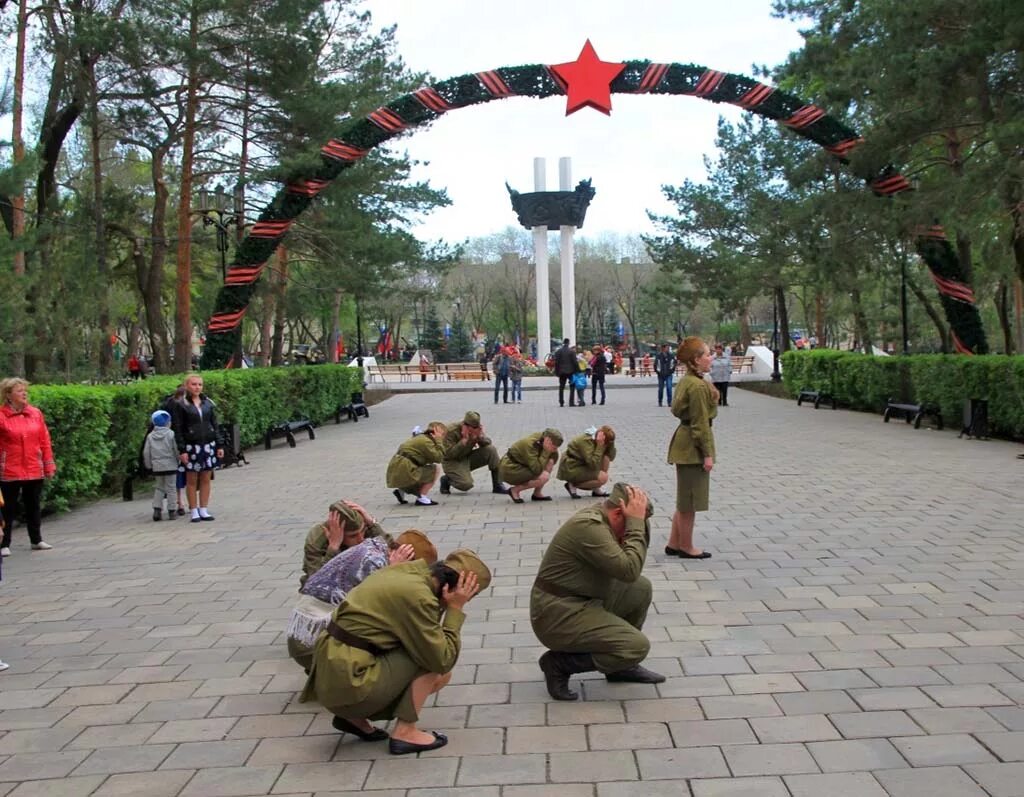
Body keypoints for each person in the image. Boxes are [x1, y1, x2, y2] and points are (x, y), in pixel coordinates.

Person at [298, 549, 490, 754]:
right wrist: (455, 609)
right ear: (449, 589)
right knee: (434, 663)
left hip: (331, 676)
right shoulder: (419, 597)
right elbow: (443, 658)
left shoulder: (402, 573)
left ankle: (354, 720)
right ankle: (405, 733)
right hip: (349, 682)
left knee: (421, 648)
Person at [531, 483, 664, 700]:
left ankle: (619, 667)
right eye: (634, 520)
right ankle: (558, 664)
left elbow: (631, 572)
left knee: (640, 588)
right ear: (619, 512)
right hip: (555, 613)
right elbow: (629, 569)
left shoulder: (606, 520)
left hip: (583, 599)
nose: (639, 525)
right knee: (636, 646)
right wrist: (635, 526)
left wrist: (635, 523)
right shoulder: (589, 527)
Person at [286, 530, 437, 672]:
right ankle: (332, 674)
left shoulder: (373, 547)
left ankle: (322, 670)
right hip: (311, 644)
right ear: (407, 559)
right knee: (392, 638)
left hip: (302, 636)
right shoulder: (376, 563)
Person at [666, 337, 718, 560]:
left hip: (684, 442)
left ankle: (674, 543)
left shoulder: (688, 381)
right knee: (690, 501)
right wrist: (707, 454)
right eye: (707, 354)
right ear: (696, 359)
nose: (710, 358)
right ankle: (687, 546)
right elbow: (700, 424)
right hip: (692, 448)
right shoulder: (696, 386)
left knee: (684, 498)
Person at [0, 378, 56, 556]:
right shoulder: (1, 416)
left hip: (33, 466)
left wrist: (48, 464)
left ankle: (36, 539)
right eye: (19, 391)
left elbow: (44, 440)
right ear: (8, 395)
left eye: (25, 390)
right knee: (7, 507)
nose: (24, 394)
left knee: (33, 504)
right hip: (10, 467)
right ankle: (4, 543)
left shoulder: (35, 413)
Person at [171, 374, 224, 523]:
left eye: (200, 384)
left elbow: (215, 425)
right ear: (187, 386)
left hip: (208, 445)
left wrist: (219, 444)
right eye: (194, 384)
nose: (197, 387)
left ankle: (204, 509)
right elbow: (178, 428)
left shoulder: (207, 403)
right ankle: (193, 510)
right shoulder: (181, 405)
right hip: (191, 446)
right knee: (191, 479)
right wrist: (182, 450)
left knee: (206, 478)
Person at [300, 500, 387, 587]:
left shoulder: (366, 526)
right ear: (339, 533)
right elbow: (317, 582)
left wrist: (373, 524)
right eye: (352, 536)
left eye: (362, 531)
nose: (360, 539)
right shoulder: (317, 539)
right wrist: (333, 547)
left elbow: (394, 551)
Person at [439, 411, 508, 496]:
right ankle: (447, 479)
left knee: (491, 450)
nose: (476, 429)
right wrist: (463, 440)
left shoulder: (476, 429)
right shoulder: (450, 431)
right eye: (474, 427)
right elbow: (448, 455)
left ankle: (498, 485)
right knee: (466, 485)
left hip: (467, 457)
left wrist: (480, 437)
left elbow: (488, 443)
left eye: (477, 427)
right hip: (452, 462)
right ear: (466, 426)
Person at [386, 422, 446, 506]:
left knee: (423, 469)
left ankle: (402, 490)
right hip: (404, 470)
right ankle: (422, 498)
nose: (443, 437)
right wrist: (439, 441)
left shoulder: (421, 438)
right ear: (433, 433)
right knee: (435, 469)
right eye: (442, 435)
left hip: (397, 471)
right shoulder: (427, 442)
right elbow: (439, 458)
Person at [499, 428, 562, 504]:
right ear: (548, 440)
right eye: (554, 447)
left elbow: (553, 458)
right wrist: (546, 452)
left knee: (549, 463)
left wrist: (549, 454)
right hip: (510, 469)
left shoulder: (544, 438)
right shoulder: (531, 444)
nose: (555, 450)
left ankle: (537, 493)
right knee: (544, 477)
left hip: (523, 465)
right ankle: (514, 490)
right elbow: (537, 470)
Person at [558, 426, 616, 499]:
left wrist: (611, 443)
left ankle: (595, 488)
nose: (606, 445)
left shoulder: (598, 439)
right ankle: (573, 484)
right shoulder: (585, 441)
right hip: (572, 467)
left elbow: (611, 457)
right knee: (603, 478)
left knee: (606, 458)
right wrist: (599, 446)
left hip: (584, 464)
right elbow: (593, 464)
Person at [143, 410, 179, 521]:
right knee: (171, 488)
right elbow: (176, 449)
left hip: (157, 466)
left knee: (159, 487)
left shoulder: (150, 436)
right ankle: (172, 511)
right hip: (171, 465)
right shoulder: (171, 434)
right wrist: (178, 460)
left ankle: (157, 510)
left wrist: (149, 465)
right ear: (168, 422)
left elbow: (146, 452)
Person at [553, 338, 577, 407]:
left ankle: (561, 402)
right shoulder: (572, 351)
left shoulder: (558, 351)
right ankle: (571, 402)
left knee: (561, 387)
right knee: (572, 386)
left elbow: (556, 363)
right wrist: (577, 371)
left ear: (563, 343)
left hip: (561, 372)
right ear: (568, 343)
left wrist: (557, 372)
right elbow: (575, 362)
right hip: (571, 372)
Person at [708, 342, 732, 407]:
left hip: (725, 376)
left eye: (720, 349)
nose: (718, 350)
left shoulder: (727, 357)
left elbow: (730, 364)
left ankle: (725, 402)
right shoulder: (712, 357)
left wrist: (730, 370)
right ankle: (718, 401)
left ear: (722, 349)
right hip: (716, 376)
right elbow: (709, 366)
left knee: (724, 390)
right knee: (717, 390)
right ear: (715, 350)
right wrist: (711, 373)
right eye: (717, 349)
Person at [654, 342, 676, 407]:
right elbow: (656, 365)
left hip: (668, 374)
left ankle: (669, 402)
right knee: (660, 389)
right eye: (666, 347)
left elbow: (674, 363)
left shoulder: (671, 356)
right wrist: (658, 372)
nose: (667, 349)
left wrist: (671, 371)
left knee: (669, 388)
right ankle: (660, 401)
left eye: (668, 348)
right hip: (661, 375)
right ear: (663, 348)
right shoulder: (658, 356)